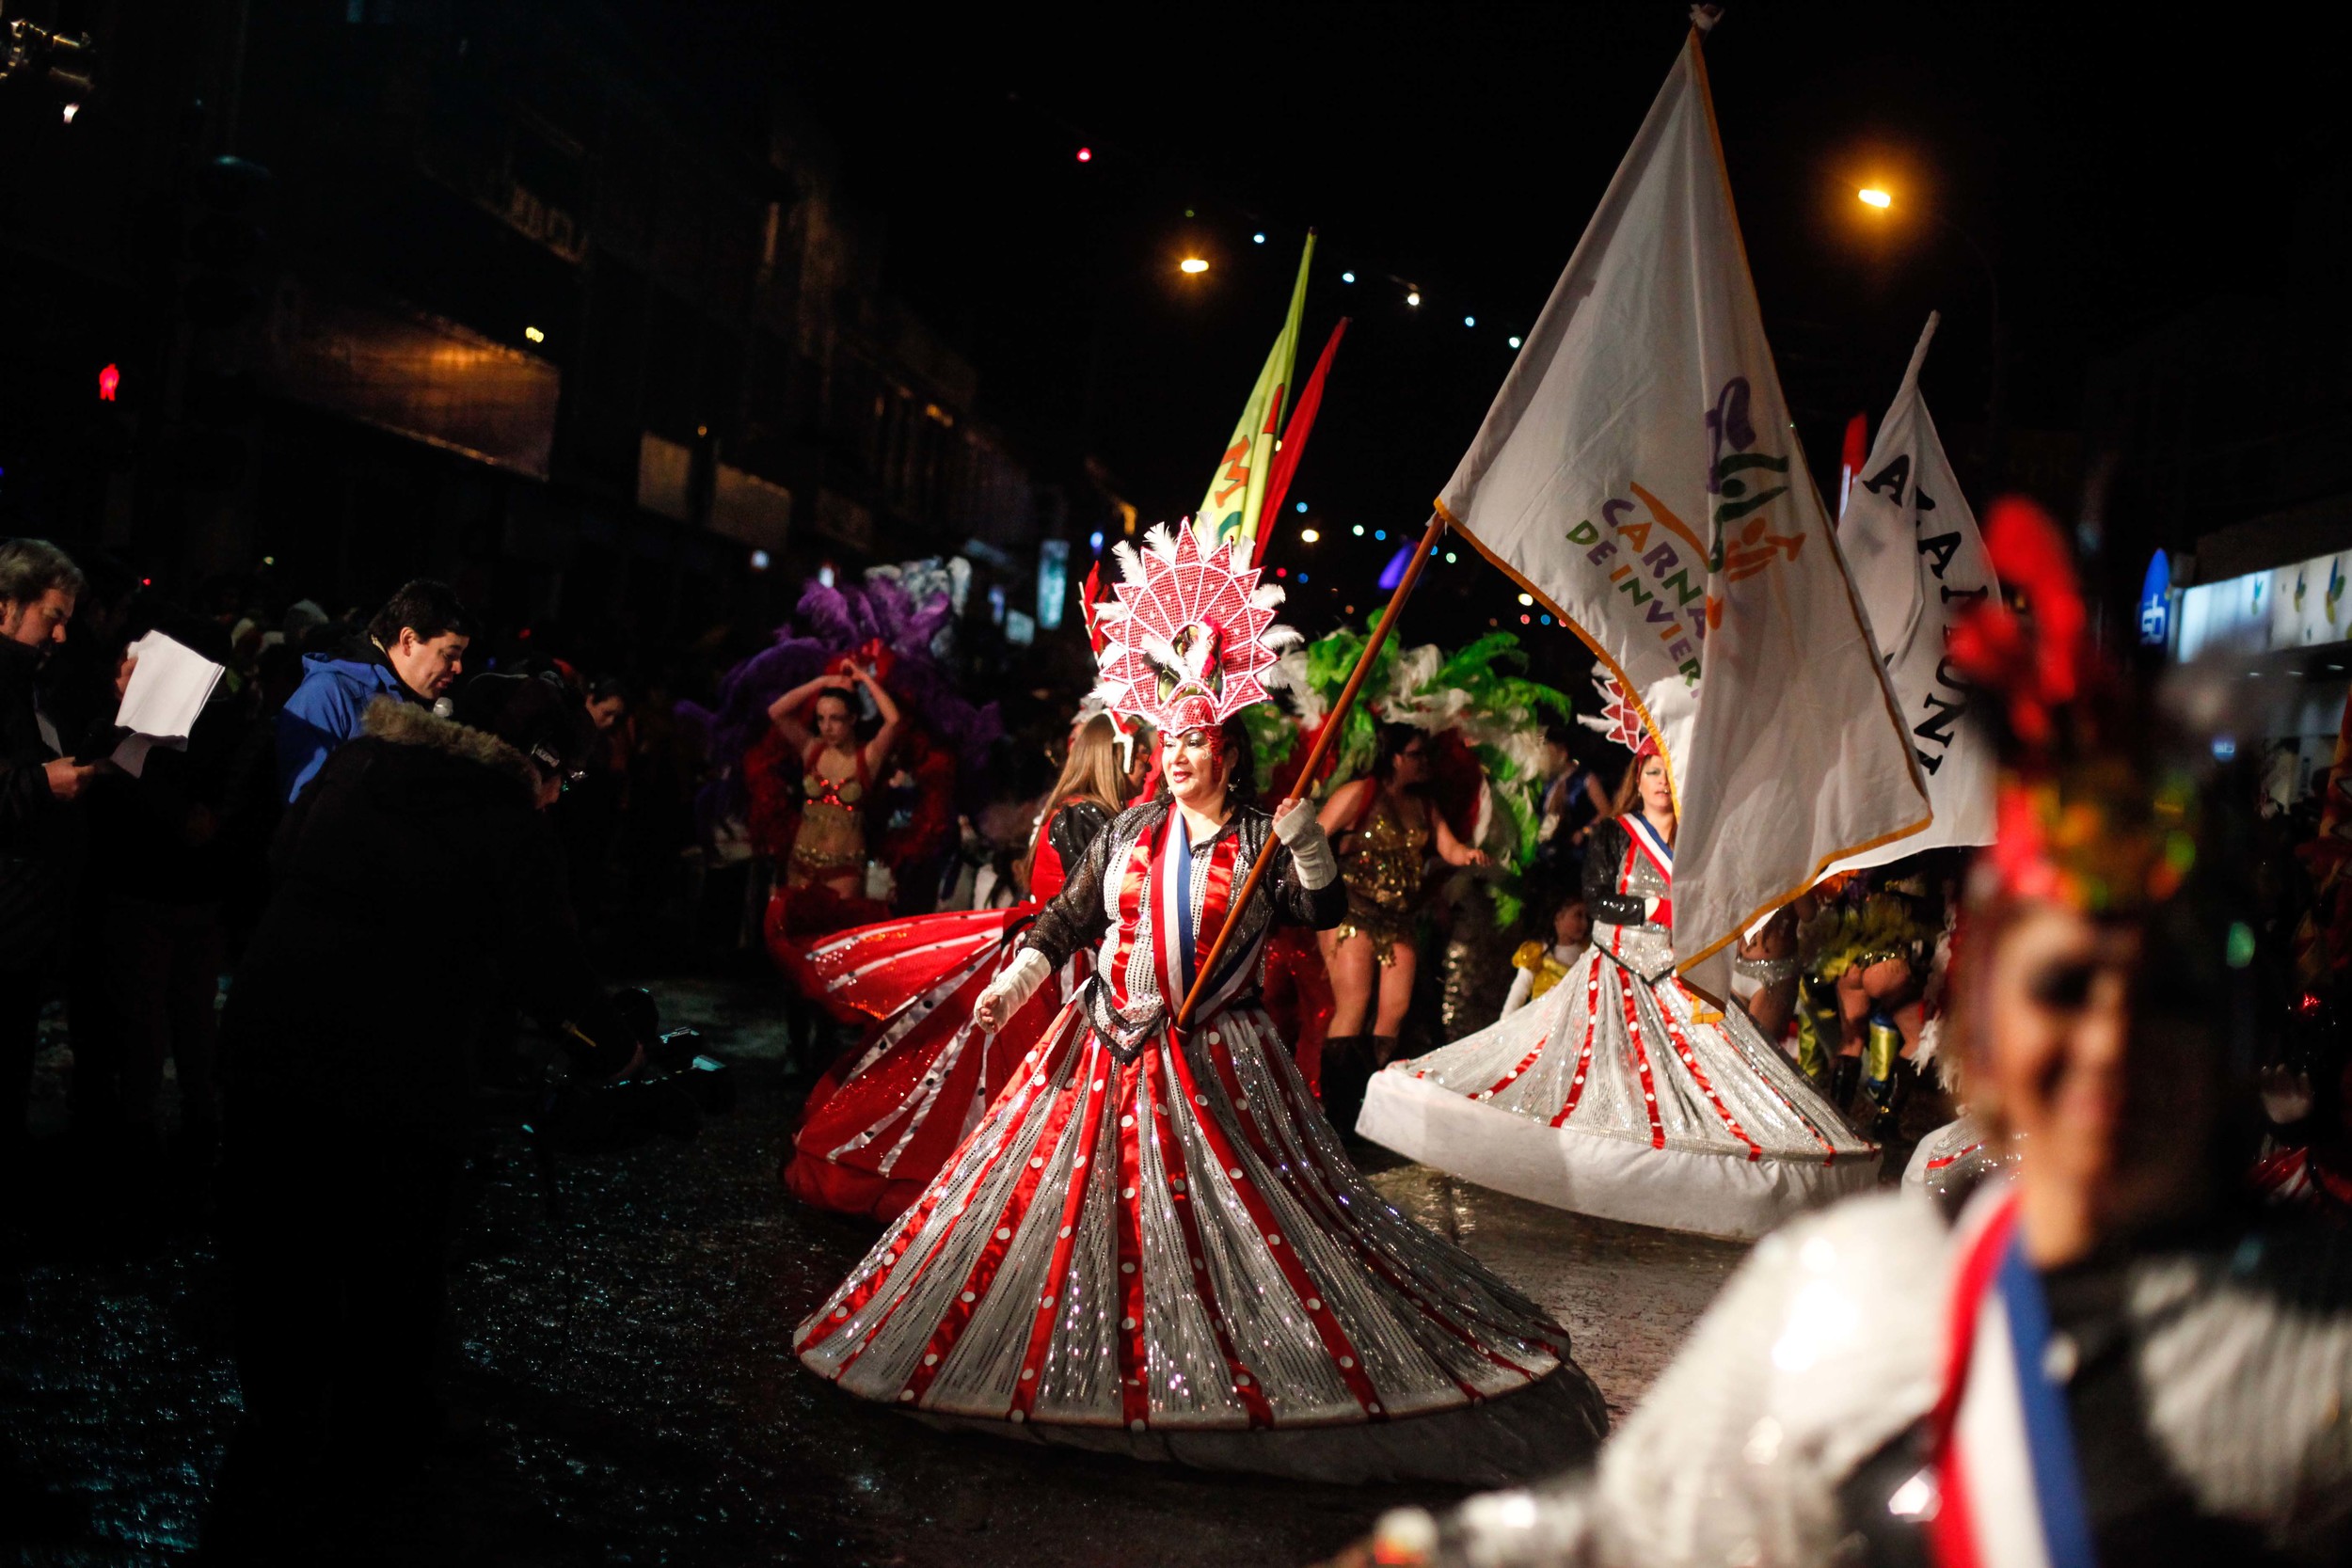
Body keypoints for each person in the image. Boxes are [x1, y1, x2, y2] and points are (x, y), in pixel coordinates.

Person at [1331, 502, 2352, 1568]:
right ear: (1991, 1024)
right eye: (2062, 986)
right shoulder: (1858, 1284)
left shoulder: (2317, 1345)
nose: (2106, 1039)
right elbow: (1632, 1521)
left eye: (2166, 995)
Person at [795, 526, 1605, 1482]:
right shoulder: (1130, 828)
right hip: (1101, 1043)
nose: (1176, 756)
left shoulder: (1263, 835)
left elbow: (1322, 910)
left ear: (1226, 750)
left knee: (1219, 1208)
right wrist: (1016, 983)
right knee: (1078, 1209)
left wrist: (1307, 846)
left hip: (1214, 1054)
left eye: (1194, 742)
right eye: (1166, 740)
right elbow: (1066, 918)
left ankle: (1208, 1349)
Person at [219, 672, 643, 1459]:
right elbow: (547, 965)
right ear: (537, 762)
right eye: (564, 778)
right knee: (392, 1252)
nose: (559, 797)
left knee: (279, 1240)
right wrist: (616, 1050)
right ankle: (378, 1436)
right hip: (394, 1065)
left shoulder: (358, 763)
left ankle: (276, 1420)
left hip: (269, 1027)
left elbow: (279, 853)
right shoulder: (509, 819)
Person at [1358, 735, 1877, 1241]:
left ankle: (1667, 1189)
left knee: (1699, 1081)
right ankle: (1590, 1185)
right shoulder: (1615, 834)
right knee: (1601, 1077)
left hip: (1680, 978)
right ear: (1638, 779)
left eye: (1668, 776)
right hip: (1617, 972)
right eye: (1651, 773)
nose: (1660, 785)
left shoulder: (1698, 843)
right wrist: (1662, 909)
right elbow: (1599, 902)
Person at [782, 712, 1130, 1218]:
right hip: (1060, 967)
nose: (1147, 763)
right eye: (1139, 754)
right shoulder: (1089, 817)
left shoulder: (1063, 808)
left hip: (1036, 955)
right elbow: (1095, 904)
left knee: (980, 1085)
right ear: (1114, 757)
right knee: (1030, 1089)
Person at [1315, 723, 1489, 1135]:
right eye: (1416, 755)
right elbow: (1313, 835)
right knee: (1354, 1008)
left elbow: (1448, 848)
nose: (1424, 763)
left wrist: (1468, 855)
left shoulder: (1425, 806)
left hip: (1399, 919)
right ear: (1395, 757)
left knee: (1394, 1013)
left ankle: (1371, 1109)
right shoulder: (1361, 793)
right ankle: (1338, 1115)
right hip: (1353, 912)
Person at [0, 539, 90, 1167]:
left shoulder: (30, 678)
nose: (60, 634)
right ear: (7, 606)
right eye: (51, 616)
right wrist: (40, 783)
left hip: (24, 917)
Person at [276, 578, 474, 802]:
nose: (458, 668)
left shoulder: (423, 702)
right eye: (449, 655)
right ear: (408, 640)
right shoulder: (328, 693)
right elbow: (305, 806)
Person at [765, 664, 904, 899]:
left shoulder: (867, 757)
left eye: (835, 719)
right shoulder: (812, 750)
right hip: (800, 863)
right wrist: (822, 681)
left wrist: (864, 679)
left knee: (839, 933)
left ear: (852, 719)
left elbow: (894, 721)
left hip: (844, 871)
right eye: (821, 719)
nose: (827, 727)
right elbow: (776, 712)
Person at [1502, 895, 1591, 1017]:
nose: (1584, 923)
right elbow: (1520, 990)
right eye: (1578, 915)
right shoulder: (1537, 953)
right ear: (1558, 918)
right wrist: (1504, 1024)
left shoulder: (1589, 953)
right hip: (1542, 1026)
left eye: (1586, 916)